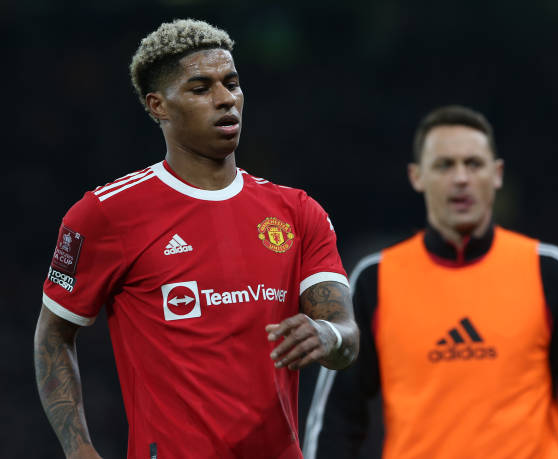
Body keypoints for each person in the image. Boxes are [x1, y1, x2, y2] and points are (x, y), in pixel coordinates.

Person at [34, 19, 358, 459]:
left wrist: (326, 334)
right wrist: (79, 449)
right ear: (158, 106)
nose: (226, 99)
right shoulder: (106, 213)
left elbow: (346, 337)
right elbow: (53, 334)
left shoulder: (298, 212)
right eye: (201, 88)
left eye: (232, 83)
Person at [304, 105, 558, 458]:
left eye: (474, 164)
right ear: (416, 176)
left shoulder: (549, 271)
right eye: (444, 165)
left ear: (497, 174)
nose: (461, 178)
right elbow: (336, 420)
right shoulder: (375, 280)